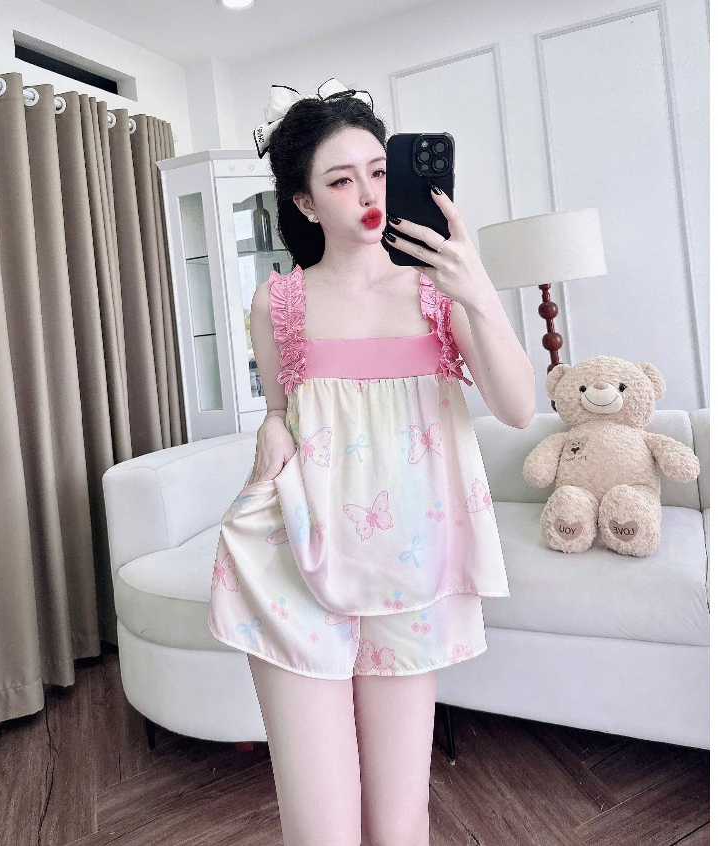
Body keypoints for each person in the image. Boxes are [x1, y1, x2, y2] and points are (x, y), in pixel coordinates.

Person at [207, 79, 535, 846]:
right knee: (320, 825)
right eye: (341, 180)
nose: (368, 194)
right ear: (304, 203)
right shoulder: (277, 303)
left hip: (411, 569)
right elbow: (284, 407)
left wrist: (477, 289)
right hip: (294, 558)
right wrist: (273, 426)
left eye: (379, 172)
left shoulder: (438, 290)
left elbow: (519, 407)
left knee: (398, 822)